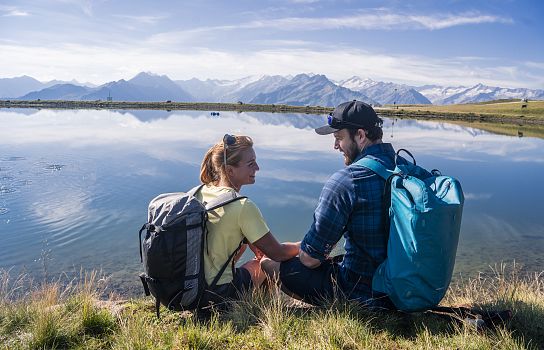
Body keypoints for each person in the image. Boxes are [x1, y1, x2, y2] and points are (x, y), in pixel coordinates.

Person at [265, 100, 397, 308]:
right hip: (404, 288)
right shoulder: (405, 169)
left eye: (339, 138)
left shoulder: (347, 181)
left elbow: (310, 259)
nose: (335, 146)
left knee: (270, 264)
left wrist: (285, 250)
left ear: (360, 135)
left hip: (361, 292)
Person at [197, 134, 299, 309]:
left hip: (191, 287)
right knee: (266, 263)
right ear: (230, 170)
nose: (258, 168)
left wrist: (252, 241)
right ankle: (263, 310)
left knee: (244, 245)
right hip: (216, 294)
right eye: (251, 164)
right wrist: (308, 245)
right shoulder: (242, 206)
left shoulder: (200, 192)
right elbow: (279, 253)